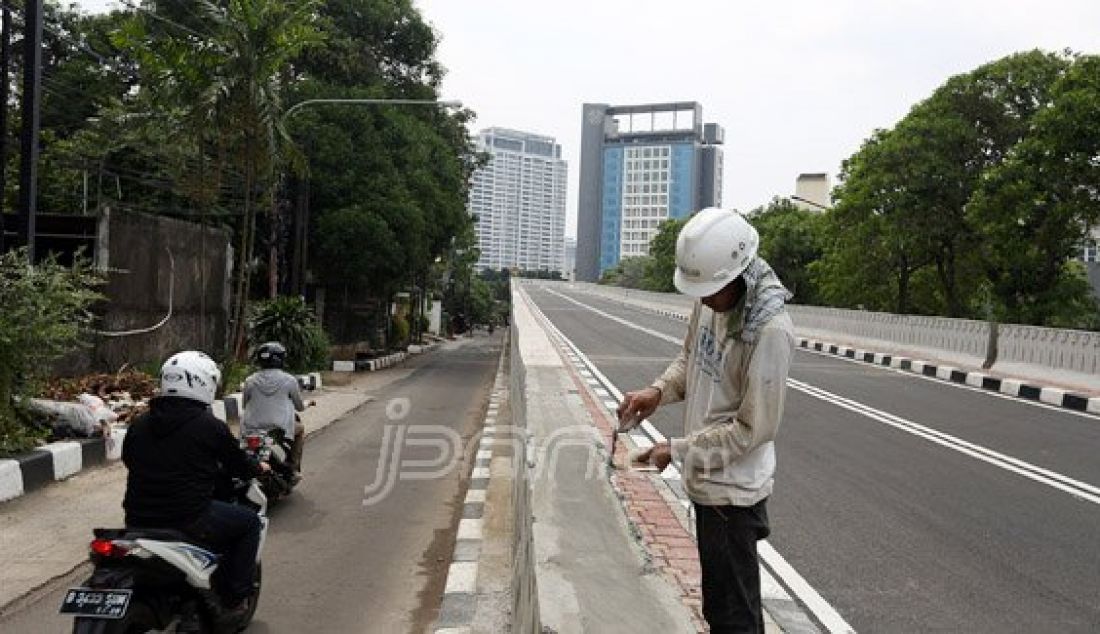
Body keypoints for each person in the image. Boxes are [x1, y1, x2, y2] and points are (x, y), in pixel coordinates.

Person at [617, 207, 795, 634]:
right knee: (720, 611)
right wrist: (658, 392)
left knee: (736, 620)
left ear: (739, 275)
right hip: (708, 489)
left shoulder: (769, 331)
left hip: (732, 498)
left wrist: (674, 451)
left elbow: (751, 431)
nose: (704, 299)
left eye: (712, 290)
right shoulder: (713, 301)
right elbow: (690, 358)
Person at [122, 350, 269, 621]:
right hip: (189, 517)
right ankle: (236, 600)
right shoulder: (209, 426)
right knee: (249, 524)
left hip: (137, 518)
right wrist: (258, 467)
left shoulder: (140, 424)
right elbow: (237, 464)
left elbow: (130, 459)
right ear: (204, 383)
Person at [242, 342, 307, 475]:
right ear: (280, 359)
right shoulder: (289, 380)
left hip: (252, 430)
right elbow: (299, 406)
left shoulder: (250, 381)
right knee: (300, 429)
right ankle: (293, 466)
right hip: (278, 431)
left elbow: (244, 404)